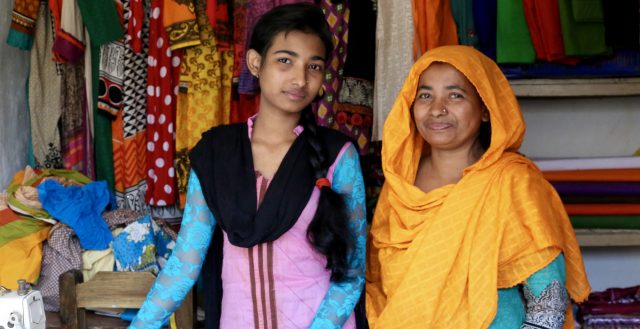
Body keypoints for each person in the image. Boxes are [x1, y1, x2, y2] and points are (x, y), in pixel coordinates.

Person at [129, 3, 366, 328]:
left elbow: (352, 272)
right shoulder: (216, 153)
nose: (300, 78)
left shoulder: (338, 155)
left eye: (313, 66)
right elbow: (184, 264)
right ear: (255, 63)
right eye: (285, 60)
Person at [365, 45, 591, 329]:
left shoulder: (512, 182)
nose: (437, 109)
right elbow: (378, 284)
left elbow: (548, 303)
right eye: (425, 95)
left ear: (486, 109)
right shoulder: (399, 184)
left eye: (455, 95)